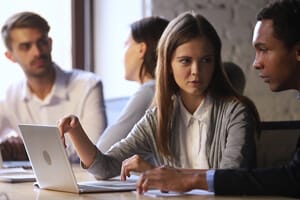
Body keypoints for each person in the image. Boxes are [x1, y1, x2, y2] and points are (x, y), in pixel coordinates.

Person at [58, 11, 260, 181]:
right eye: (185, 61)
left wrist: (162, 175)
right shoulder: (158, 117)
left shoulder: (236, 113)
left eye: (206, 60)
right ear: (168, 65)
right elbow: (105, 168)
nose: (196, 71)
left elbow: (230, 178)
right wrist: (76, 132)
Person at [136, 0, 300, 198]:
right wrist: (172, 176)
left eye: (264, 49)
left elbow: (294, 178)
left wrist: (190, 179)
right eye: (185, 61)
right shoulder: (160, 113)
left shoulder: (234, 112)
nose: (256, 63)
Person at [0, 11, 107, 162]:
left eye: (41, 42)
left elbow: (96, 152)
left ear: (50, 43)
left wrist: (28, 151)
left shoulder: (88, 85)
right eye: (25, 46)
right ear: (10, 56)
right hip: (30, 184)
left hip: (82, 182)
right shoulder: (9, 96)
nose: (37, 52)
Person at [97, 16, 169, 152]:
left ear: (142, 49)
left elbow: (103, 150)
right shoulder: (157, 89)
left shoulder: (149, 90)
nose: (122, 57)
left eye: (126, 45)